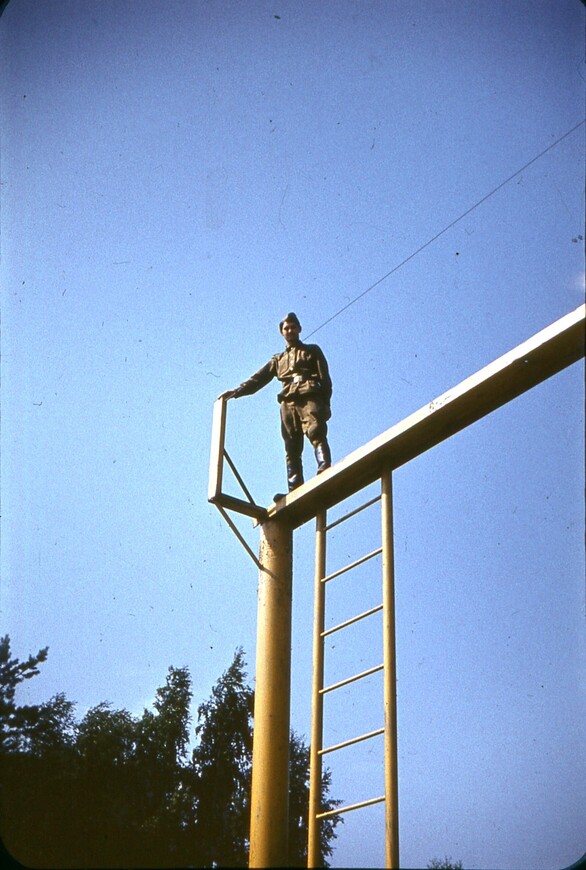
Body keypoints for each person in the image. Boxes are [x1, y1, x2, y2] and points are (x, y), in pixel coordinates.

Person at [218, 312, 332, 493]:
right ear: (282, 332)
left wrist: (326, 405)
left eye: (293, 327)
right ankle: (294, 488)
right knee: (291, 446)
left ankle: (324, 467)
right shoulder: (278, 360)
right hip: (287, 401)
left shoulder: (312, 350)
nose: (290, 330)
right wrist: (237, 391)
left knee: (315, 431)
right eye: (286, 328)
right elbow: (258, 379)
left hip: (309, 395)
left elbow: (325, 379)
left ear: (299, 329)